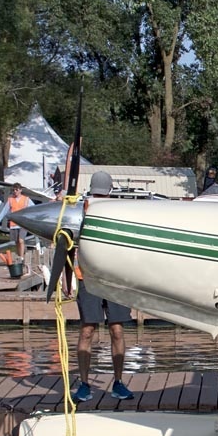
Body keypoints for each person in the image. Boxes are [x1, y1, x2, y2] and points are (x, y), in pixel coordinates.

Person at [71, 171, 134, 403]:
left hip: (114, 279)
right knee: (87, 330)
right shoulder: (80, 210)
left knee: (116, 329)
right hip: (87, 278)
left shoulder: (117, 211)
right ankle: (85, 383)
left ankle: (118, 382)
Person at [7, 183, 31, 270]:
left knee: (21, 240)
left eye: (17, 190)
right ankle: (20, 255)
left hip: (23, 223)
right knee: (17, 242)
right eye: (13, 190)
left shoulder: (26, 199)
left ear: (20, 190)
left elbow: (34, 208)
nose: (15, 191)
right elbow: (5, 211)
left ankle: (21, 258)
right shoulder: (10, 199)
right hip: (13, 224)